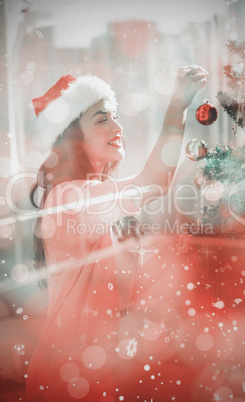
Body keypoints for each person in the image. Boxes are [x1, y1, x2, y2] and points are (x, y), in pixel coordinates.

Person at [25, 66, 208, 402]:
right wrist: (178, 104)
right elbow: (155, 180)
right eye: (101, 119)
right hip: (72, 377)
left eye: (115, 116)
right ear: (72, 139)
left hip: (97, 370)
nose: (117, 127)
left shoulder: (94, 195)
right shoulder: (69, 197)